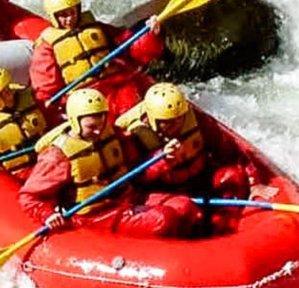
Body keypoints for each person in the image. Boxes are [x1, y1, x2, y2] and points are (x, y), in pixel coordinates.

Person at [18, 88, 202, 237]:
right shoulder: (57, 156)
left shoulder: (114, 135)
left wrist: (163, 158)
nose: (99, 131)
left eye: (102, 123)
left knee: (186, 207)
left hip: (129, 199)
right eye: (92, 127)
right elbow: (29, 197)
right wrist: (47, 215)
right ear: (75, 122)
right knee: (162, 219)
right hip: (97, 215)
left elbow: (137, 171)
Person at [115, 83, 261, 232]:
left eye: (180, 118)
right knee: (184, 209)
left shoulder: (197, 120)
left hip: (197, 179)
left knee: (233, 176)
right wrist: (162, 159)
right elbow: (134, 177)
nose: (178, 124)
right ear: (153, 120)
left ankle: (226, 225)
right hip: (160, 189)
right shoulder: (133, 133)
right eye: (169, 122)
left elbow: (230, 151)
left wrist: (254, 182)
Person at [30, 0, 164, 124]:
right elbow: (45, 87)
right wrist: (54, 108)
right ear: (53, 17)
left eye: (72, 12)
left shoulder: (97, 28)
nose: (69, 19)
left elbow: (131, 48)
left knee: (151, 104)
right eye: (63, 15)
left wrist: (150, 35)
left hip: (119, 83)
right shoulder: (46, 47)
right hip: (87, 97)